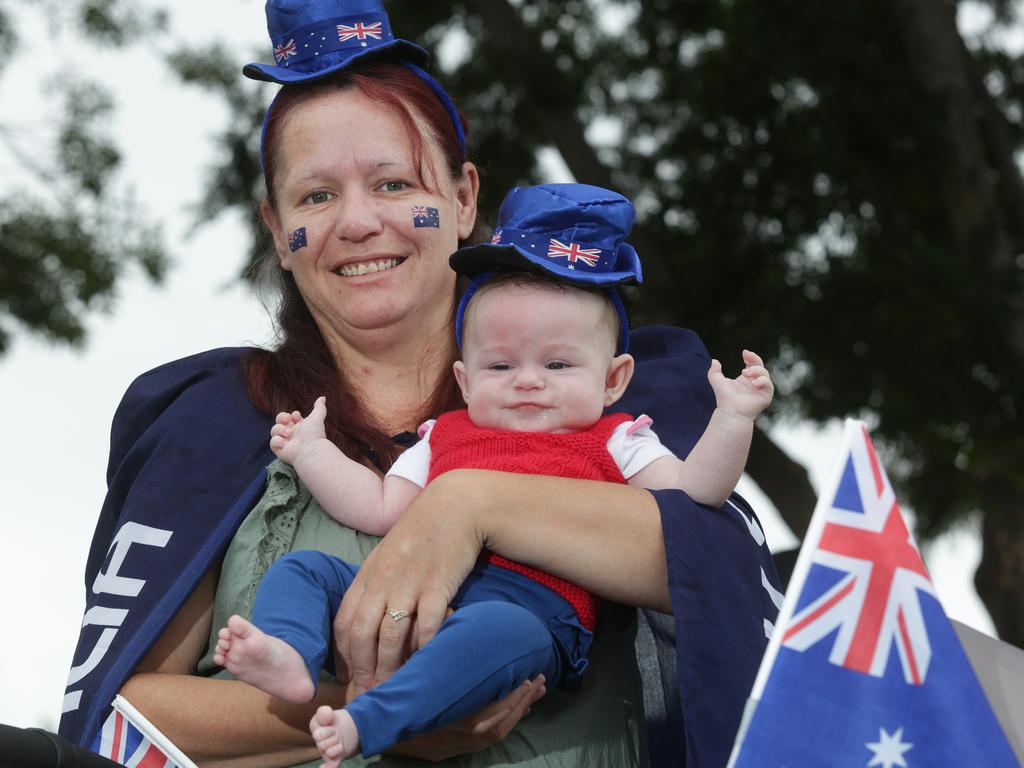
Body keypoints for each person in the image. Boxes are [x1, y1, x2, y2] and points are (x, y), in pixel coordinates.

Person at [58, 2, 783, 767]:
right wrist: (372, 713)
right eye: (316, 196)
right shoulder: (209, 417)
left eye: (394, 182)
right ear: (276, 227)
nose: (360, 222)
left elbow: (714, 572)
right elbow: (124, 708)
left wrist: (471, 504)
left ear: (465, 198)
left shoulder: (614, 379)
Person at [211, 184, 774, 764]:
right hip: (423, 599)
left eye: (557, 364)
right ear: (464, 380)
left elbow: (693, 497)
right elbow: (377, 504)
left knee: (499, 634)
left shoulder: (619, 439)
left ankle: (369, 720)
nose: (527, 380)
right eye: (500, 365)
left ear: (613, 379)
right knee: (303, 571)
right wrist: (312, 454)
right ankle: (289, 654)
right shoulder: (445, 436)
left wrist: (733, 418)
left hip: (536, 612)